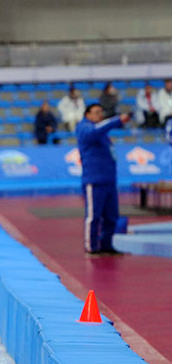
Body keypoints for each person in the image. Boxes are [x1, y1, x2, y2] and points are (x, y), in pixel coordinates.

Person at [77, 104, 132, 256]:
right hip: (94, 180)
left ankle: (107, 245)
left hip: (109, 180)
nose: (99, 115)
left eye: (101, 112)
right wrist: (117, 120)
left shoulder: (102, 133)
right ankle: (91, 246)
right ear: (87, 114)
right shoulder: (84, 128)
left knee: (111, 216)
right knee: (93, 216)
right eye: (96, 112)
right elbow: (96, 131)